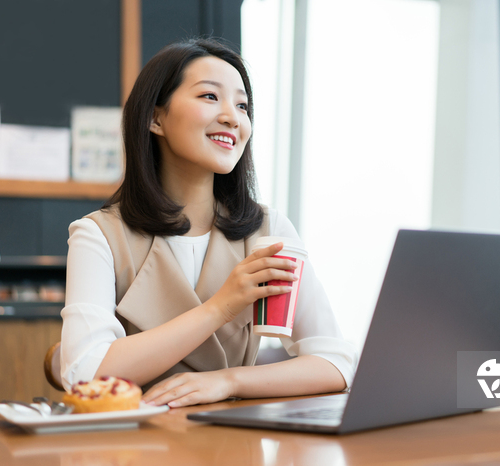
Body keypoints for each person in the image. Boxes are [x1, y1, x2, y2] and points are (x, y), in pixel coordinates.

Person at [60, 38, 358, 408]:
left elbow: (335, 361)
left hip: (235, 446)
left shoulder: (269, 231)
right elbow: (84, 373)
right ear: (155, 118)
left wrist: (228, 381)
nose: (234, 117)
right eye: (210, 97)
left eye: (243, 105)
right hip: (135, 447)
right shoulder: (99, 235)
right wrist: (219, 307)